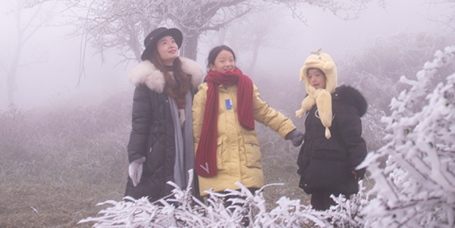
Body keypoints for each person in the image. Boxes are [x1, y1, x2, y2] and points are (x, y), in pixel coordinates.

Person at [193, 45, 304, 198]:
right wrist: (198, 165)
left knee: (247, 212)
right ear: (212, 66)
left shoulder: (245, 86)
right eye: (222, 61)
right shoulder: (204, 93)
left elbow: (264, 112)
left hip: (247, 166)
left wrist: (289, 130)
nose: (228, 64)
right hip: (218, 168)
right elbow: (197, 132)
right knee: (224, 213)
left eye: (231, 60)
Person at [125, 27, 205, 201]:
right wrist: (136, 156)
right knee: (161, 199)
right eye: (164, 42)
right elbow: (140, 122)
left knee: (191, 198)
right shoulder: (148, 82)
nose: (171, 45)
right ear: (155, 51)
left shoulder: (190, 79)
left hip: (190, 148)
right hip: (159, 151)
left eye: (173, 41)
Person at [295, 50, 368, 210]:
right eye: (310, 76)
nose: (313, 80)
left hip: (338, 174)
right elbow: (311, 138)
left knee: (336, 216)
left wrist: (358, 165)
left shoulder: (342, 103)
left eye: (317, 75)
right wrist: (304, 163)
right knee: (317, 214)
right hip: (316, 172)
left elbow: (353, 137)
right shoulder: (313, 102)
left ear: (328, 75)